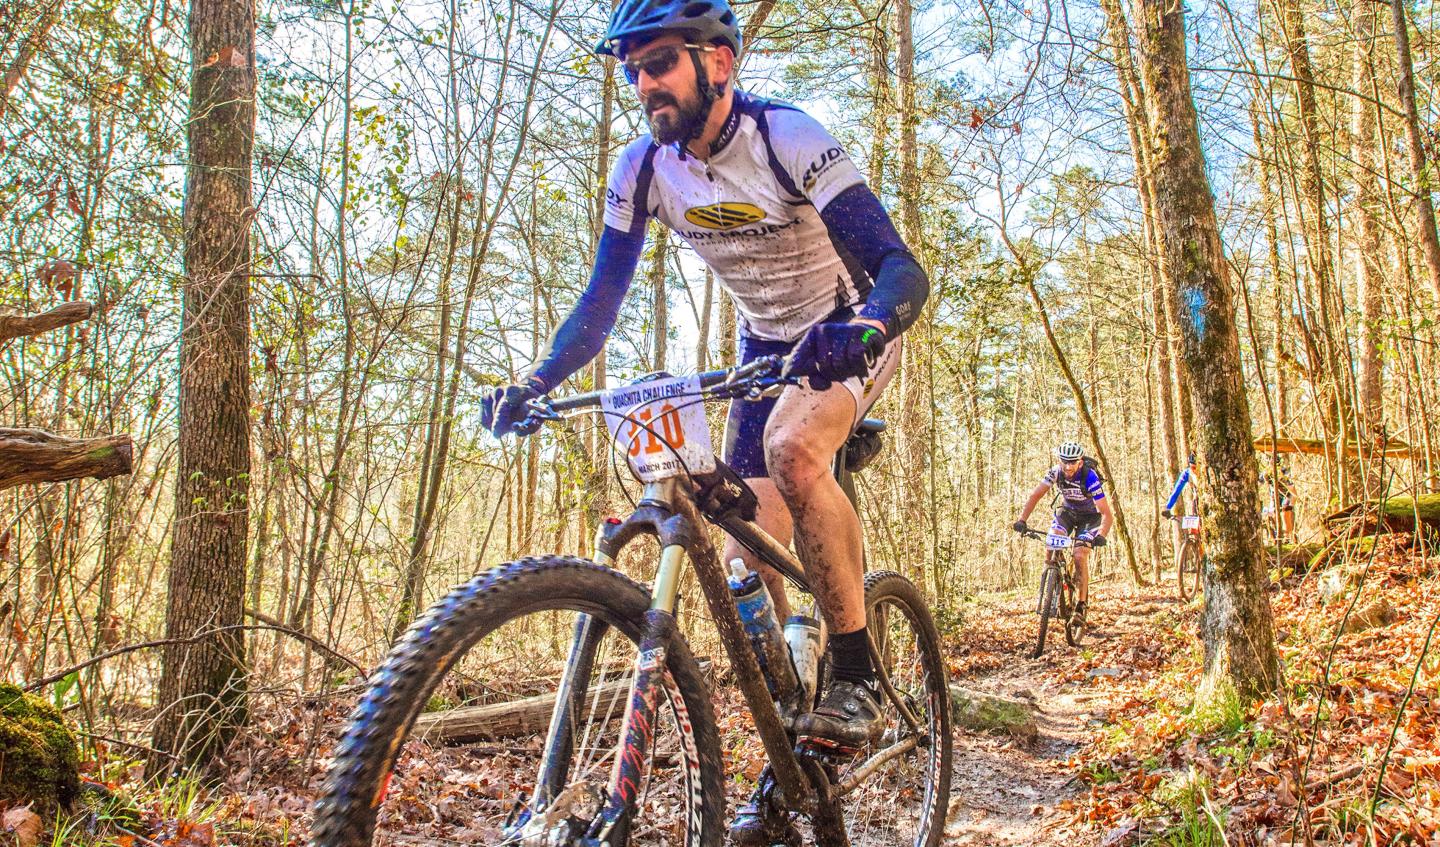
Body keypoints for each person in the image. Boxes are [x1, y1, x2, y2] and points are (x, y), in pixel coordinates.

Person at [481, 0, 929, 840]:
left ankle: (857, 672)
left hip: (846, 328)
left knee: (793, 448)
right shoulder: (643, 168)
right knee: (740, 556)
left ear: (717, 62)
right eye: (633, 70)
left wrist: (865, 327)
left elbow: (901, 268)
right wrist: (534, 381)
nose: (643, 84)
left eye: (659, 63)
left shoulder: (786, 137)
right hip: (763, 347)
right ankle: (793, 730)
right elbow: (600, 304)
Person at [1011, 441, 1113, 629]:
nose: (1068, 466)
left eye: (1072, 462)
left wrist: (1102, 534)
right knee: (1051, 542)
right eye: (1064, 461)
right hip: (1067, 512)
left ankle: (1081, 605)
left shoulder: (1090, 477)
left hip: (1090, 518)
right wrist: (1022, 520)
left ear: (1080, 462)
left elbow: (1106, 513)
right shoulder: (1055, 472)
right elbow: (1035, 495)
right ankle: (1051, 587)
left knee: (1079, 555)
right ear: (1060, 461)